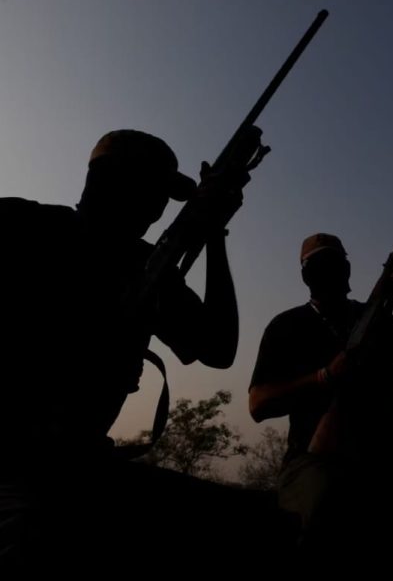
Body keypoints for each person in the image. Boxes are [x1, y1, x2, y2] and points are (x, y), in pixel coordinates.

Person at [0, 129, 292, 572]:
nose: (159, 209)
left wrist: (214, 235)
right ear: (111, 182)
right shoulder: (24, 225)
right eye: (154, 191)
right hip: (14, 466)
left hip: (78, 464)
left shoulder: (149, 268)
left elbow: (217, 347)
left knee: (267, 528)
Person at [249, 233, 393, 561]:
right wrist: (325, 376)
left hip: (392, 451)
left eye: (335, 262)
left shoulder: (374, 318)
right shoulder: (285, 326)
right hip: (314, 459)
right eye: (319, 263)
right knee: (328, 506)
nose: (329, 270)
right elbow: (258, 404)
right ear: (304, 274)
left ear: (348, 268)